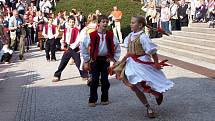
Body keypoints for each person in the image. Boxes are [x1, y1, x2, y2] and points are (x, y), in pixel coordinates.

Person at [112, 16, 174, 118]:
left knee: (144, 82)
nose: (130, 24)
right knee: (134, 86)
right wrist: (121, 61)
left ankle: (156, 93)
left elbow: (153, 51)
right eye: (131, 22)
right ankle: (148, 107)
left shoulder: (143, 37)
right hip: (131, 62)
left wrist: (156, 63)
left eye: (133, 23)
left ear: (140, 25)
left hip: (142, 62)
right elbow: (129, 52)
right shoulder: (130, 36)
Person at [81, 15, 121, 107]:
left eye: (106, 22)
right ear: (98, 23)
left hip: (105, 60)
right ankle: (92, 99)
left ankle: (104, 98)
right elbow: (83, 46)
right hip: (94, 59)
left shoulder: (111, 35)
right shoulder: (91, 35)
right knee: (94, 80)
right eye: (103, 22)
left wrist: (113, 59)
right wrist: (86, 60)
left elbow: (117, 47)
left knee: (105, 80)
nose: (105, 23)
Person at [52, 16, 88, 82]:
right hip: (68, 48)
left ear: (74, 23)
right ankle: (57, 75)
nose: (71, 23)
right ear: (68, 22)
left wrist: (73, 46)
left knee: (78, 62)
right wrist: (62, 44)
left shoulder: (76, 30)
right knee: (63, 62)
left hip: (74, 48)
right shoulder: (66, 30)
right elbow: (63, 38)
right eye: (70, 22)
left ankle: (84, 75)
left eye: (73, 22)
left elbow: (78, 40)